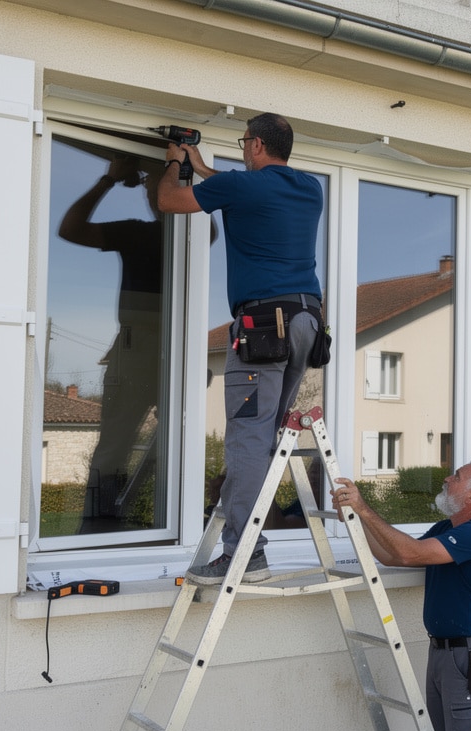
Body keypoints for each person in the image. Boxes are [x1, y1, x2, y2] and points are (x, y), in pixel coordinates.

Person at [158, 113, 323, 585]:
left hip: (262, 329)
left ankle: (244, 553)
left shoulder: (240, 188)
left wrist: (177, 164)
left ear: (254, 145)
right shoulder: (310, 188)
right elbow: (239, 187)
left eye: (244, 141)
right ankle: (249, 533)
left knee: (248, 439)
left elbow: (170, 201)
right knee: (265, 433)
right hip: (307, 322)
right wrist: (206, 167)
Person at [332, 459, 471, 731]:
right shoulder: (447, 529)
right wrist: (354, 518)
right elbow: (392, 555)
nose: (447, 479)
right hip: (443, 653)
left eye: (457, 477)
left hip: (469, 657)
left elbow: (408, 551)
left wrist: (364, 508)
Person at [58, 155, 165, 530]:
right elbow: (71, 230)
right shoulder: (139, 233)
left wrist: (115, 180)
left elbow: (210, 231)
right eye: (150, 185)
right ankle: (97, 528)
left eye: (155, 183)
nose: (149, 190)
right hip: (139, 348)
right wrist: (107, 182)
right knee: (115, 445)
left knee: (166, 443)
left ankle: (159, 522)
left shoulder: (190, 235)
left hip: (169, 347)